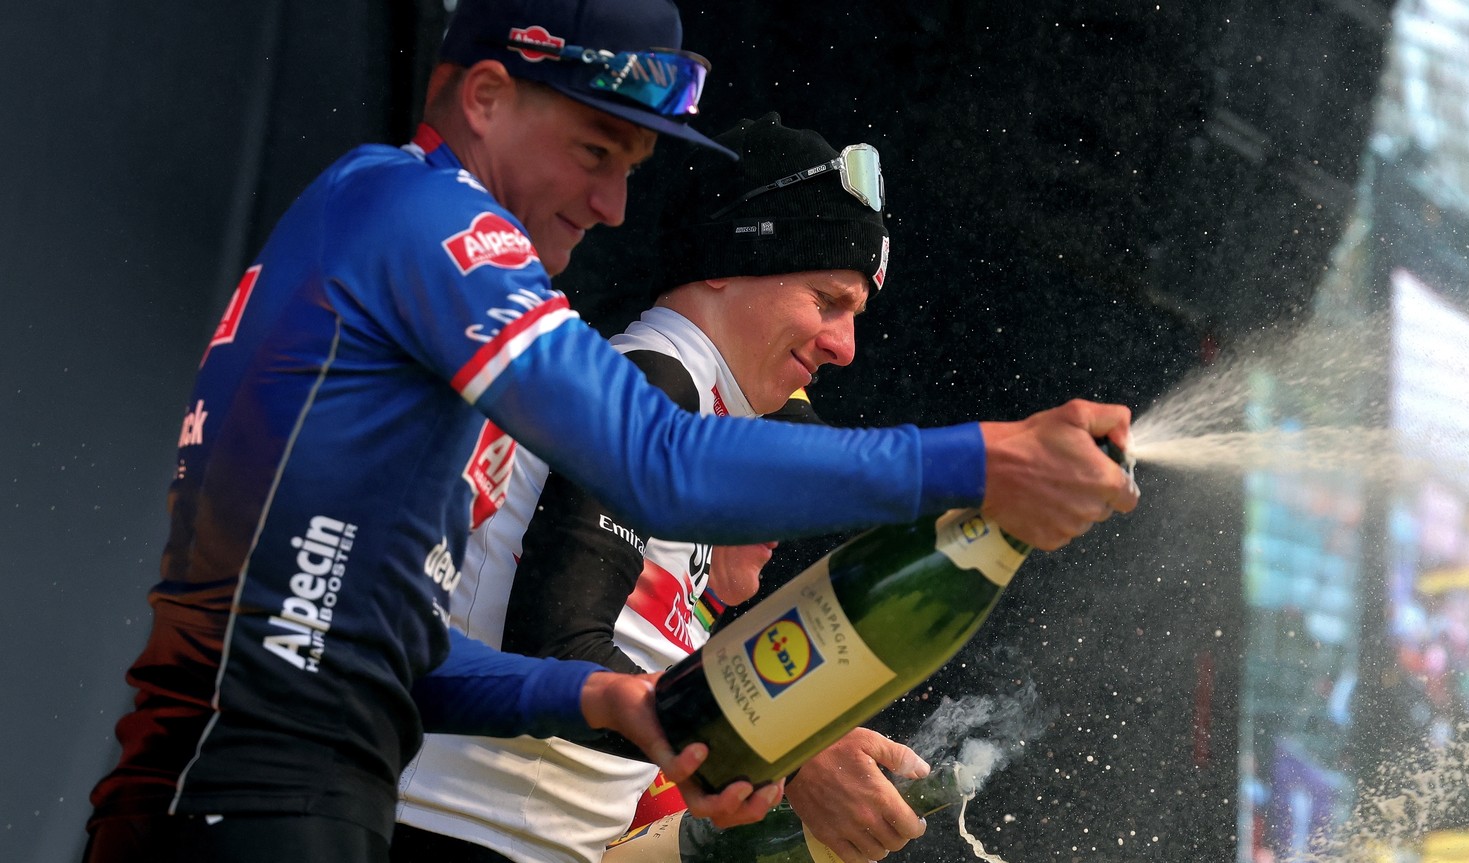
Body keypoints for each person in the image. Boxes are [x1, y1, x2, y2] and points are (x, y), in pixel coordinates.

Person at [81, 0, 1139, 860]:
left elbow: (398, 656)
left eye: (632, 163)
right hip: (251, 795)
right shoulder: (420, 214)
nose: (614, 204)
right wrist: (980, 458)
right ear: (486, 97)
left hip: (291, 792)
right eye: (596, 149)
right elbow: (659, 463)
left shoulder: (399, 259)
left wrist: (612, 698)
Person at [392, 114, 932, 863]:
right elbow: (560, 650)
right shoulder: (649, 383)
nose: (845, 345)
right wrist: (789, 753)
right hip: (447, 833)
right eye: (826, 300)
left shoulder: (688, 406)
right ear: (729, 259)